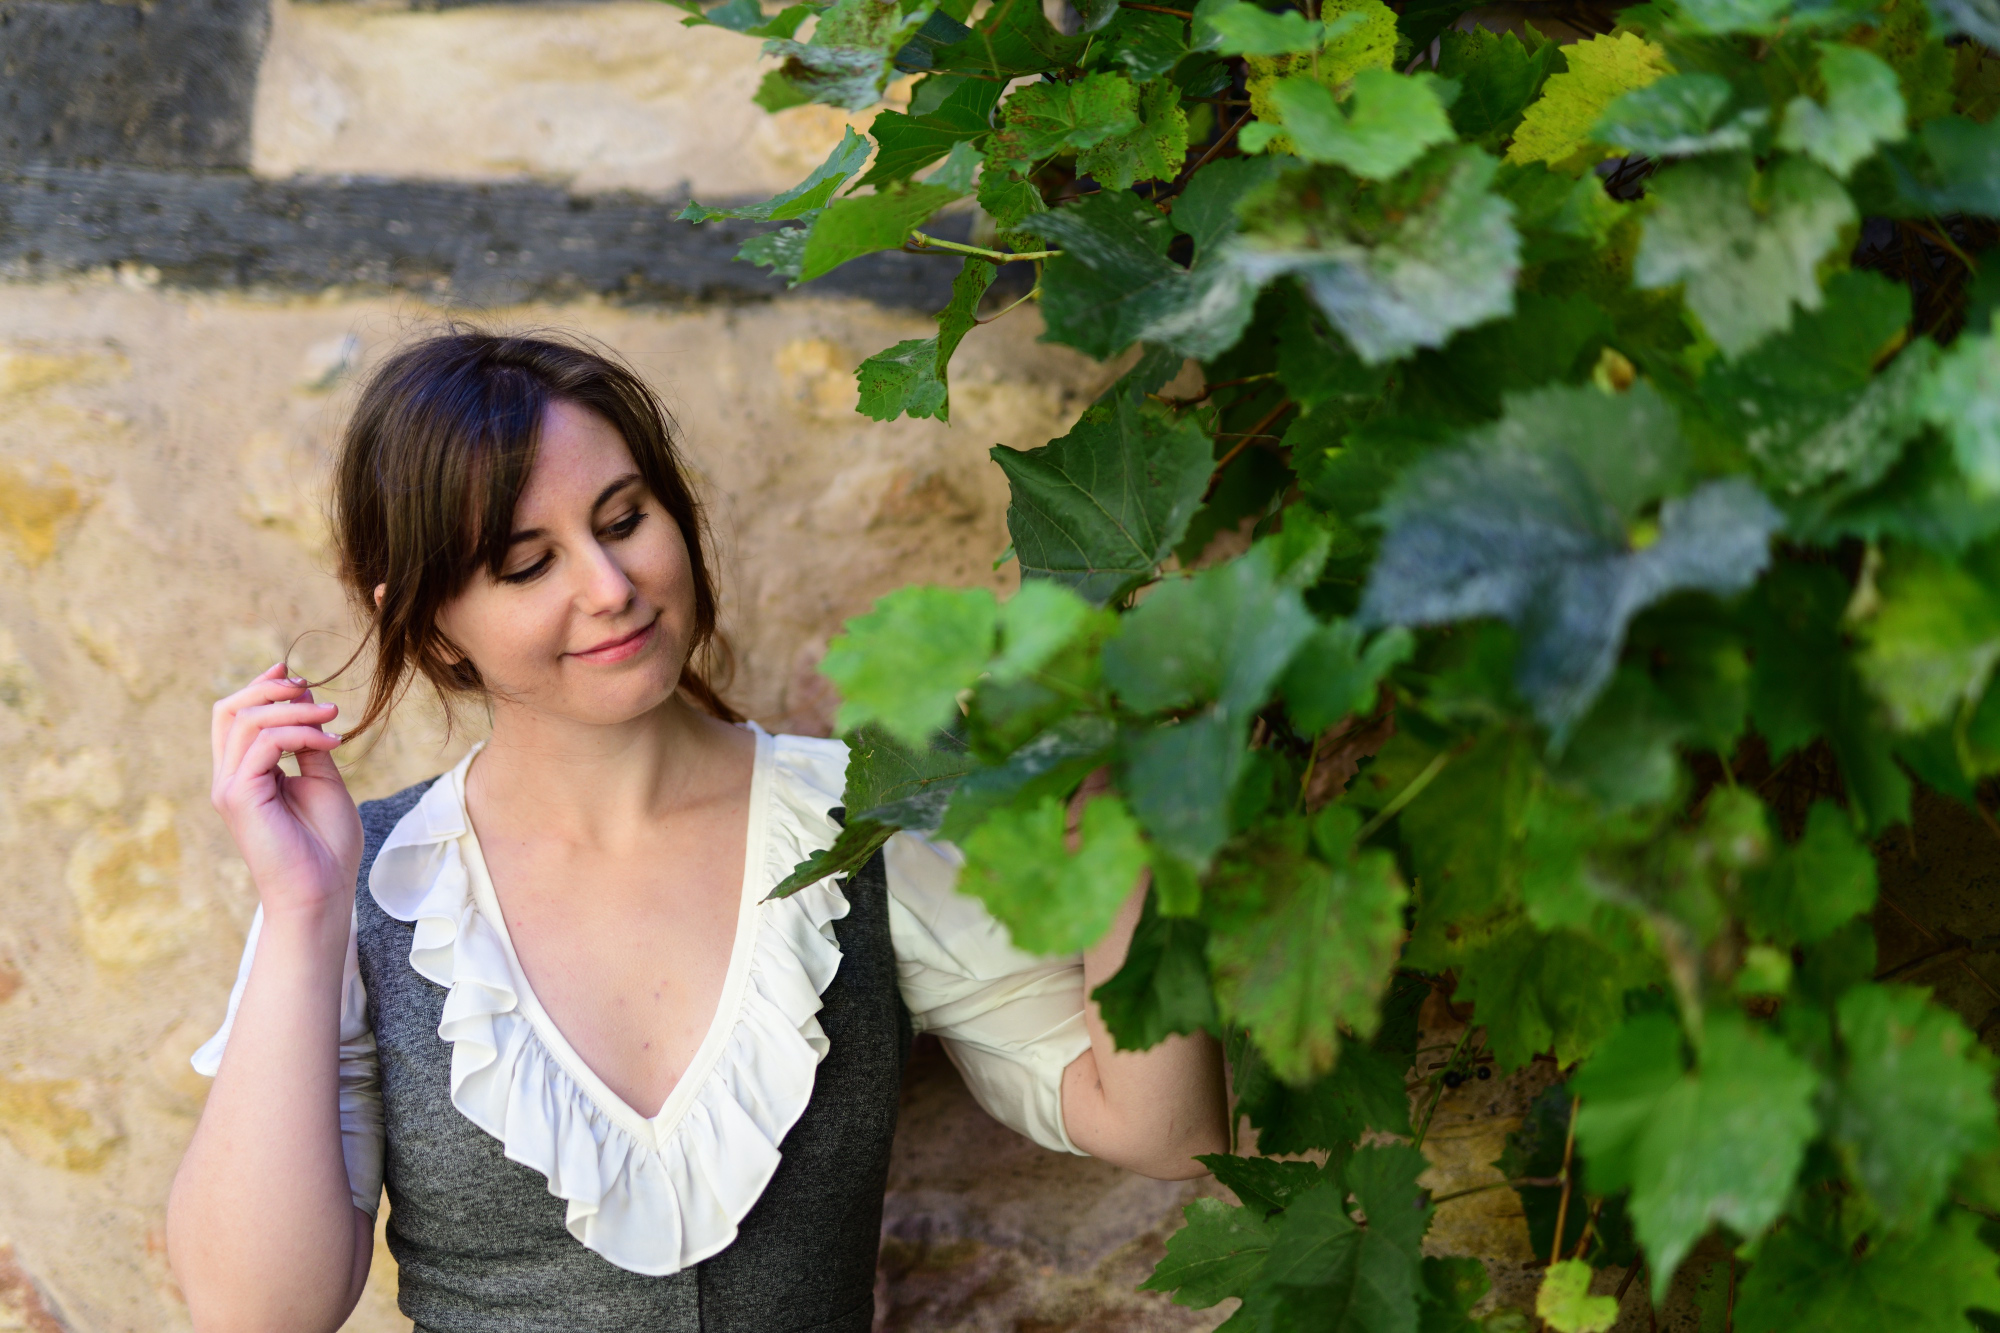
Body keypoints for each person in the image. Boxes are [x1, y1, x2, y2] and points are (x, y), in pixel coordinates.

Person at [165, 331, 1229, 1333]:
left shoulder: (863, 824)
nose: (611, 588)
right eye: (528, 564)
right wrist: (303, 910)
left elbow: (1165, 1129)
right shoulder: (375, 886)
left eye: (624, 519)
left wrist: (1120, 815)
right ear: (435, 628)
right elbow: (254, 1314)